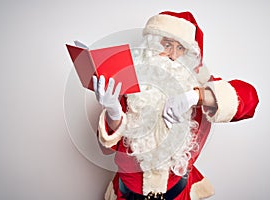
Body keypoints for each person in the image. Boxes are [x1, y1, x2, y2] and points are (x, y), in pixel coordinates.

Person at [93, 11, 259, 200]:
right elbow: (107, 148)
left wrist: (196, 96)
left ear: (189, 55)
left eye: (180, 48)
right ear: (152, 46)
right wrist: (113, 112)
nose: (172, 55)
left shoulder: (199, 87)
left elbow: (249, 99)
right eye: (166, 44)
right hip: (125, 195)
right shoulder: (131, 85)